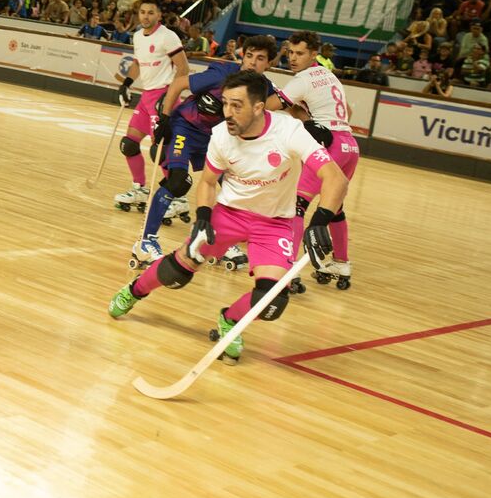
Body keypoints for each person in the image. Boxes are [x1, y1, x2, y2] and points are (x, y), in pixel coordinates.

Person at [109, 69, 349, 364]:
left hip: (274, 224)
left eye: (237, 105)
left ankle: (230, 322)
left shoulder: (289, 131)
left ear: (259, 107)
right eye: (225, 104)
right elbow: (208, 182)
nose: (228, 113)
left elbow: (335, 178)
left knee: (272, 299)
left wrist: (320, 220)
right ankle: (133, 291)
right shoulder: (221, 135)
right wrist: (203, 218)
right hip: (228, 215)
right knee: (179, 270)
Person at [132, 35, 281, 268]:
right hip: (186, 128)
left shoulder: (264, 89)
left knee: (232, 185)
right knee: (178, 182)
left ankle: (217, 238)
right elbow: (179, 83)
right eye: (249, 55)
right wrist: (164, 119)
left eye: (260, 59)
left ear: (269, 64)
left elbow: (281, 107)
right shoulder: (221, 75)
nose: (252, 62)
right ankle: (145, 241)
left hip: (216, 139)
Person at [267, 31, 361, 291]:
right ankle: (341, 263)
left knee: (297, 205)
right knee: (335, 208)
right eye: (290, 53)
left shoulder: (302, 79)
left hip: (329, 145)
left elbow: (271, 105)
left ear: (313, 54)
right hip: (349, 146)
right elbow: (348, 112)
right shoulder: (328, 75)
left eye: (300, 54)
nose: (293, 59)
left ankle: (288, 269)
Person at [113, 0, 187, 212]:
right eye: (143, 12)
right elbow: (138, 63)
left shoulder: (168, 37)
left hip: (164, 96)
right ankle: (139, 189)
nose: (146, 16)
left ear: (159, 15)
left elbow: (183, 69)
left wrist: (170, 96)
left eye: (150, 12)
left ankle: (178, 199)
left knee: (161, 151)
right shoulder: (137, 36)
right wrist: (126, 84)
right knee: (129, 144)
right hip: (147, 97)